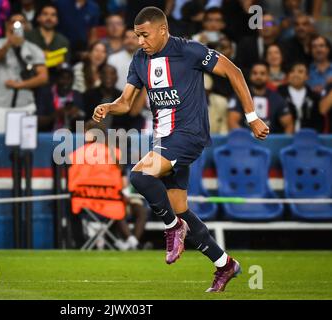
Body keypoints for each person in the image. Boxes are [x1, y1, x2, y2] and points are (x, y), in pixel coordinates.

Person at [92, 6, 269, 293]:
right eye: (137, 36)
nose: (140, 41)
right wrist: (110, 106)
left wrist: (252, 117)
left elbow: (233, 71)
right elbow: (126, 101)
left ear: (163, 29)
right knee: (180, 209)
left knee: (139, 176)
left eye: (145, 35)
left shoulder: (190, 51)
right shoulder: (139, 59)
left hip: (188, 134)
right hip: (162, 139)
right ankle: (224, 264)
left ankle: (172, 228)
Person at [0, 13, 48, 133]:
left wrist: (19, 85)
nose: (17, 24)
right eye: (13, 22)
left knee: (26, 145)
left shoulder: (34, 49)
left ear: (26, 25)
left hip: (25, 104)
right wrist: (9, 43)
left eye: (21, 21)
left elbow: (43, 77)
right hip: (0, 104)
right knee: (0, 144)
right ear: (7, 25)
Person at [228, 62, 294, 134]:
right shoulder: (239, 95)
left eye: (262, 73)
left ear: (268, 76)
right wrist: (245, 139)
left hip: (269, 142)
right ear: (250, 76)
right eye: (255, 73)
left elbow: (289, 125)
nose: (258, 76)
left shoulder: (277, 98)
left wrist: (280, 143)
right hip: (245, 142)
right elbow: (232, 122)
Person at [25, 3, 71, 81]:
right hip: (30, 80)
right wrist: (39, 56)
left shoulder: (63, 41)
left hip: (55, 81)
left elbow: (66, 65)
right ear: (38, 18)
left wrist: (61, 66)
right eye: (45, 14)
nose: (49, 18)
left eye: (53, 15)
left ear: (57, 20)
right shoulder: (28, 37)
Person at [278, 62, 323, 132]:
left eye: (300, 72)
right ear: (288, 75)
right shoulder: (279, 93)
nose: (296, 74)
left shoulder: (314, 97)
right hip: (283, 138)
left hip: (309, 139)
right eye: (292, 71)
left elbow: (319, 122)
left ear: (307, 77)